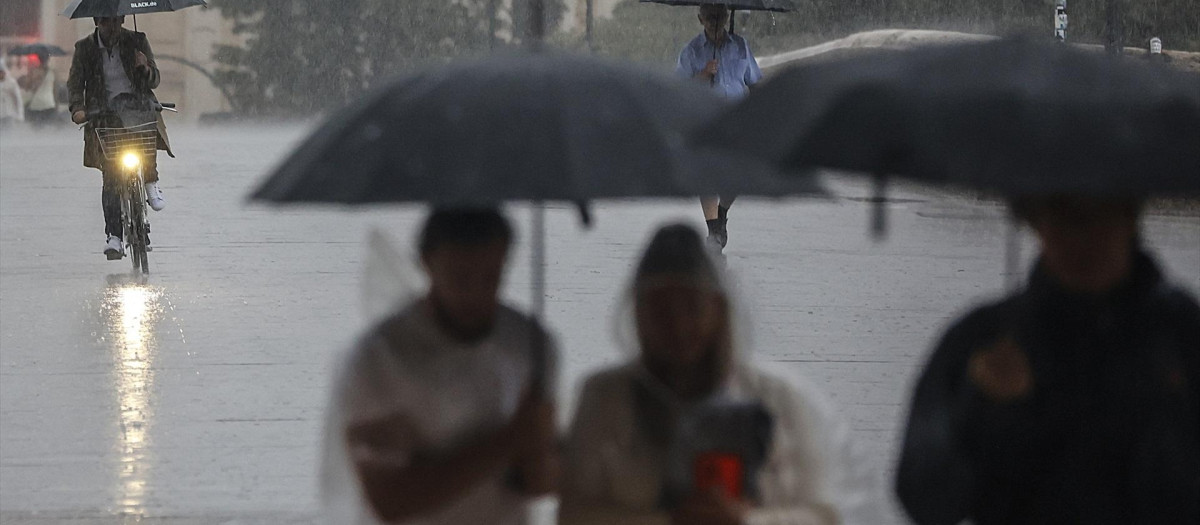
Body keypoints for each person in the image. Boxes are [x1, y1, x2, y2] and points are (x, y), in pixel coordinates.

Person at [896, 195, 1200, 524]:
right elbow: (924, 502)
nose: (1079, 237)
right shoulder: (984, 341)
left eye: (1095, 215)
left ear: (1129, 215)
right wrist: (981, 405)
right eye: (1060, 215)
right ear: (1034, 221)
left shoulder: (1183, 338)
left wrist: (1160, 405)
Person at [560, 224, 880, 525]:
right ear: (638, 314)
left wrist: (747, 520)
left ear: (719, 309)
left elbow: (822, 513)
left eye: (692, 306)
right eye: (661, 309)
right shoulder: (606, 395)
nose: (679, 325)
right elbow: (574, 513)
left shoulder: (774, 395)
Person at [322, 208, 560, 525]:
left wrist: (541, 452)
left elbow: (537, 483)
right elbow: (391, 499)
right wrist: (513, 439)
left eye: (491, 277)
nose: (477, 294)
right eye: (460, 278)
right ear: (426, 263)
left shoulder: (531, 344)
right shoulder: (379, 358)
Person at [67, 16, 174, 258]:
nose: (112, 27)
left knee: (146, 138)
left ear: (123, 19)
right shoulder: (84, 49)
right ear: (97, 22)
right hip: (104, 115)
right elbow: (75, 84)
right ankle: (114, 235)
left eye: (115, 21)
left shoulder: (137, 40)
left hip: (137, 109)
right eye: (106, 22)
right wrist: (77, 109)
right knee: (112, 175)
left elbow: (154, 80)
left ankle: (151, 181)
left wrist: (145, 67)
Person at [676, 4, 763, 254]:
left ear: (727, 16)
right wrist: (703, 75)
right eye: (710, 17)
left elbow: (755, 81)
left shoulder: (741, 46)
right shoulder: (691, 51)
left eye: (720, 16)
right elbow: (679, 88)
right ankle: (713, 228)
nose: (715, 21)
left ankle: (722, 212)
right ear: (700, 19)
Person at [18, 53, 58, 127]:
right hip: (49, 104)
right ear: (48, 60)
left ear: (39, 60)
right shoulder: (53, 72)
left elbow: (27, 87)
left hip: (36, 105)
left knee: (37, 130)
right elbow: (55, 91)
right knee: (49, 130)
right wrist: (56, 105)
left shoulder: (34, 72)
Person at [0, 61, 23, 128]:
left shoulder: (11, 83)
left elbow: (18, 98)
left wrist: (20, 114)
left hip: (9, 113)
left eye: (1, 72)